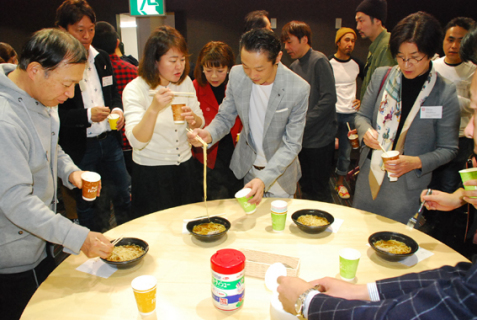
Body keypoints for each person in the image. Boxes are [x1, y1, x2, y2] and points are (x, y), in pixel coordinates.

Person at [0, 28, 113, 320]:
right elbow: (16, 202)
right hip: (13, 254)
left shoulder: (40, 94)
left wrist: (72, 173)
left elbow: (52, 146)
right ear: (36, 70)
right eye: (67, 84)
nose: (70, 94)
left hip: (40, 242)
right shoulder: (5, 120)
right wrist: (79, 237)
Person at [352, 12, 460, 224]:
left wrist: (415, 162)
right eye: (400, 57)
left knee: (395, 243)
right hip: (370, 176)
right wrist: (366, 132)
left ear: (430, 53)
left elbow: (449, 148)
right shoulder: (382, 76)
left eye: (415, 57)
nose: (406, 65)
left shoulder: (444, 91)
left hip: (407, 184)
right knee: (359, 232)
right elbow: (362, 116)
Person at [187, 28, 310, 204]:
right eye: (246, 66)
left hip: (279, 174)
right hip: (248, 169)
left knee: (276, 227)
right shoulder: (237, 75)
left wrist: (264, 179)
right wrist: (209, 133)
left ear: (277, 57)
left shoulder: (298, 88)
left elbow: (292, 144)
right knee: (250, 224)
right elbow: (225, 116)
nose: (252, 75)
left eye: (259, 68)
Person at [55, 0, 131, 232]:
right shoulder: (57, 65)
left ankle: (130, 237)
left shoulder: (102, 59)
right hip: (81, 146)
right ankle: (92, 246)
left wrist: (117, 112)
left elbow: (114, 95)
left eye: (91, 29)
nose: (87, 36)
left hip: (110, 142)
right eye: (80, 30)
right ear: (63, 30)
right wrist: (88, 115)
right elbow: (58, 115)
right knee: (88, 202)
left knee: (123, 193)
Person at [123, 26, 204, 217]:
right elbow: (137, 142)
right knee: (156, 230)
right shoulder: (136, 89)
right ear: (155, 60)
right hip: (152, 172)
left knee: (187, 223)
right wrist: (153, 109)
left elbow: (200, 121)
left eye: (183, 60)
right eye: (173, 60)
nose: (180, 66)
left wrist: (193, 120)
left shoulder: (184, 83)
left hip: (185, 167)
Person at [425, 17, 476, 246]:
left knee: (451, 182)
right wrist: (458, 198)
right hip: (434, 139)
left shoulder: (472, 69)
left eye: (460, 41)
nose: (454, 46)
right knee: (435, 188)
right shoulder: (433, 67)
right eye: (450, 39)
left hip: (461, 140)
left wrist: (449, 100)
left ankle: (444, 239)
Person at [281, 21, 337, 203]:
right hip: (301, 140)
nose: (286, 47)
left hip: (320, 140)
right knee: (305, 188)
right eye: (285, 42)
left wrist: (303, 121)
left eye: (290, 42)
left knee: (320, 190)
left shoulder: (319, 60)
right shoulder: (294, 67)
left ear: (304, 39)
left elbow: (329, 99)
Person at [192, 41, 243, 199]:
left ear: (229, 68)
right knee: (215, 201)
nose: (214, 76)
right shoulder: (195, 87)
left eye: (220, 70)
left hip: (235, 152)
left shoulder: (237, 86)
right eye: (208, 70)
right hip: (209, 157)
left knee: (238, 199)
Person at [92, 20, 138, 174]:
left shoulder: (92, 73)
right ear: (117, 43)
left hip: (109, 139)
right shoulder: (134, 71)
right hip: (132, 141)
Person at [329, 27, 364, 199]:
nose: (350, 44)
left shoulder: (357, 63)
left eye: (353, 41)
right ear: (338, 42)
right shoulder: (328, 64)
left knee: (346, 151)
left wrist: (362, 99)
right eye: (346, 40)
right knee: (325, 149)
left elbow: (372, 82)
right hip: (332, 113)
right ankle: (324, 180)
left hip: (350, 114)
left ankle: (340, 183)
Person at [355, 0, 396, 100]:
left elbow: (384, 91)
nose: (358, 27)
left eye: (361, 21)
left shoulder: (386, 47)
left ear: (377, 20)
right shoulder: (376, 47)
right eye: (357, 22)